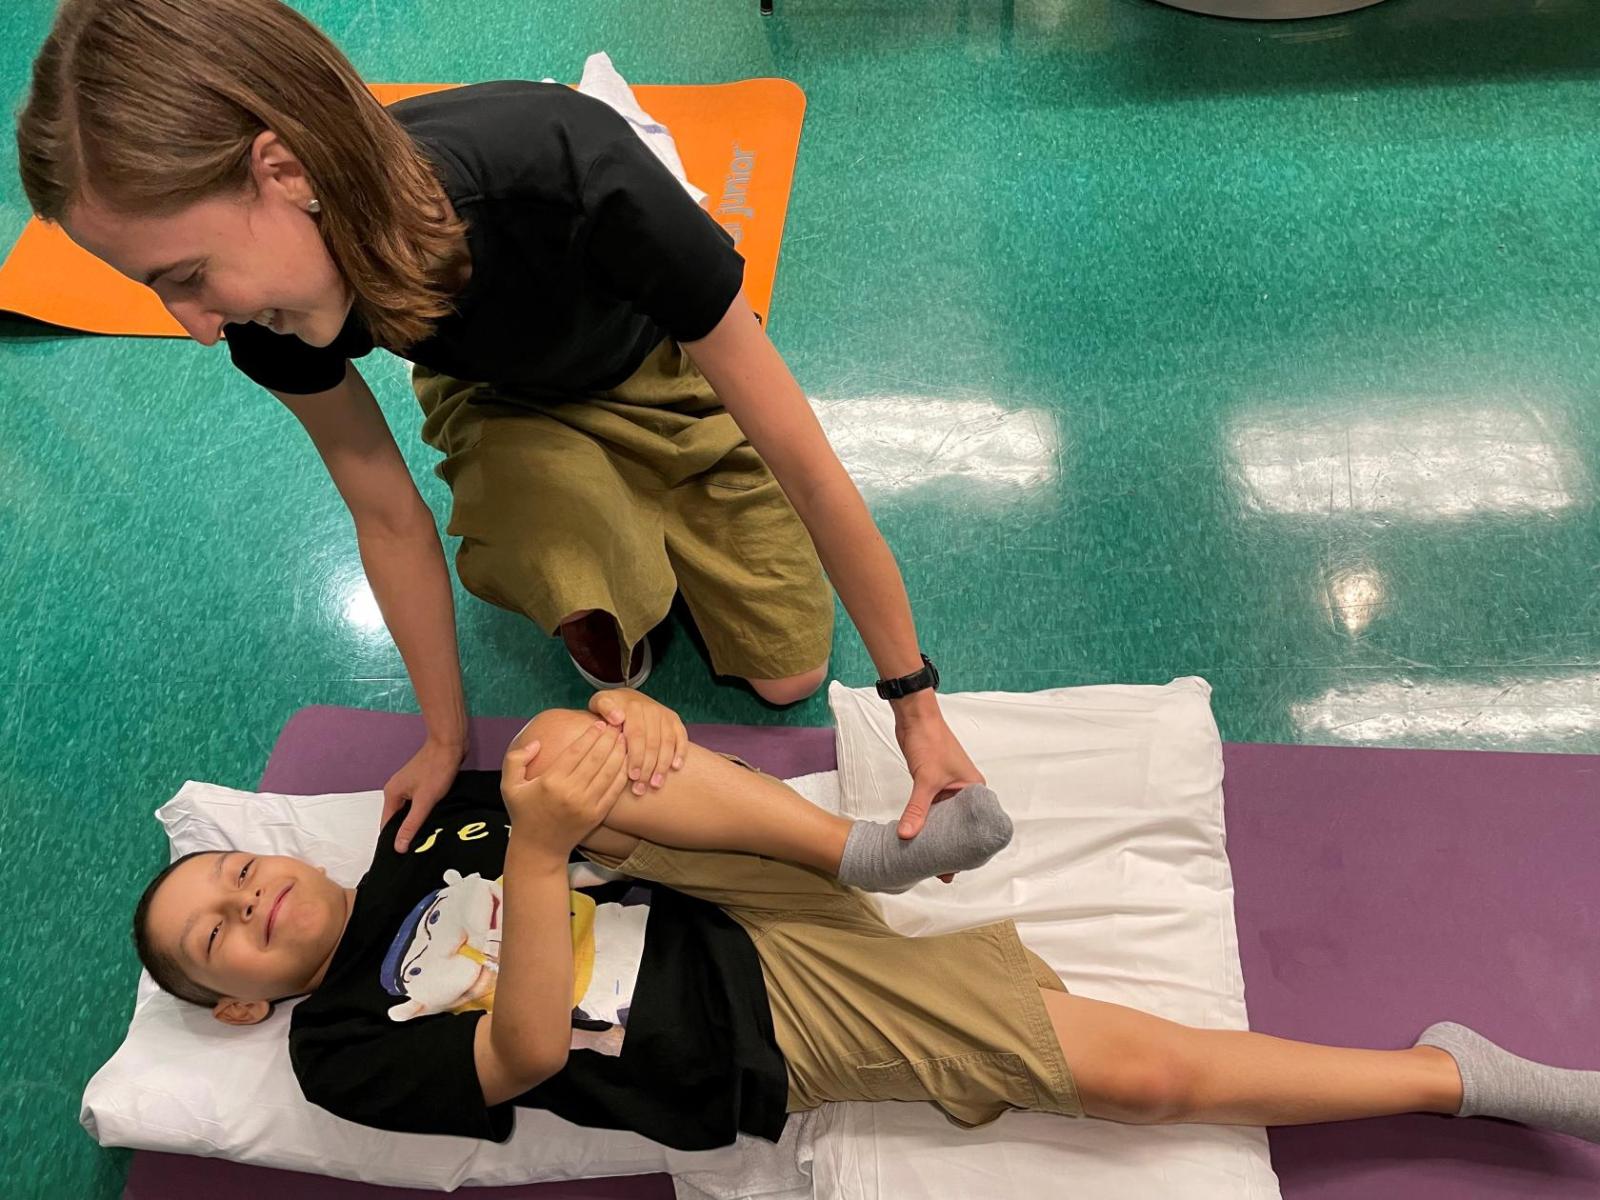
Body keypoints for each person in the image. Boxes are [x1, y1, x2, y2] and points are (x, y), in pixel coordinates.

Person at [17, 0, 980, 853]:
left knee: (788, 674)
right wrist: (444, 738)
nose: (194, 326)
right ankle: (600, 561)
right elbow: (385, 512)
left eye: (187, 277)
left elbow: (800, 455)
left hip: (669, 378)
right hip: (507, 399)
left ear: (287, 170)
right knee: (582, 580)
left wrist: (914, 700)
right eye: (162, 291)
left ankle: (633, 528)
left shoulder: (568, 167)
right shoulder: (266, 311)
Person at [133, 693, 1600, 1152]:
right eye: (223, 934)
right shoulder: (336, 1045)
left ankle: (861, 851)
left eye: (232, 876)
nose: (250, 894)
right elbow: (516, 1057)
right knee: (1136, 1076)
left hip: (734, 890)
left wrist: (618, 730)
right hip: (751, 1024)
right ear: (246, 1004)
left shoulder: (418, 827)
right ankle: (1451, 1075)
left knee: (570, 757)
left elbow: (590, 792)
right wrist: (535, 849)